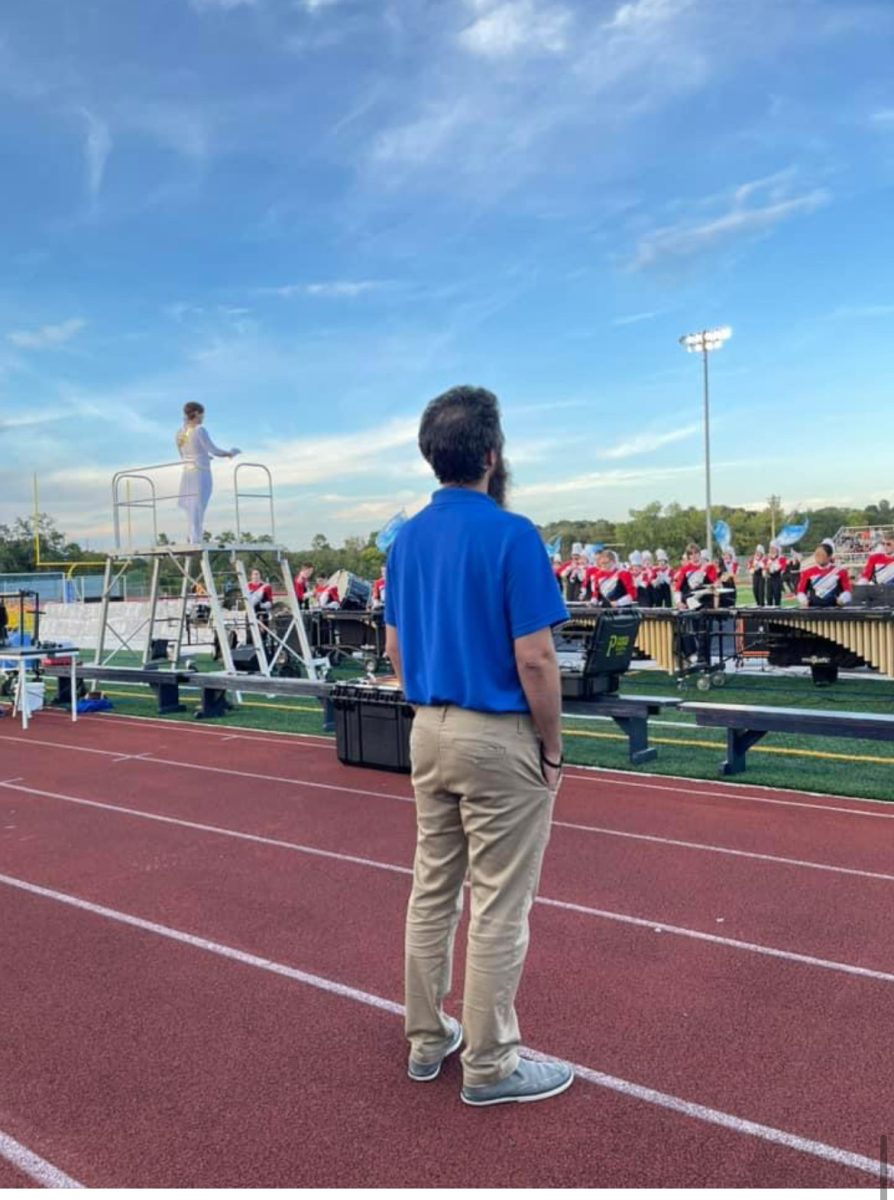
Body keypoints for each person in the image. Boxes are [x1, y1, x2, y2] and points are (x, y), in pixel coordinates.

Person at [384, 385, 573, 1108]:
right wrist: (551, 744)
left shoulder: (407, 540)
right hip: (496, 735)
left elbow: (396, 648)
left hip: (427, 727)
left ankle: (428, 1041)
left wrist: (432, 699)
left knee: (432, 891)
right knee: (499, 905)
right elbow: (537, 659)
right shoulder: (512, 534)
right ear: (491, 454)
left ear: (433, 455)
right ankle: (493, 1065)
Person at [175, 402, 240, 544]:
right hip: (200, 473)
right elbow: (213, 449)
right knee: (198, 505)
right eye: (202, 414)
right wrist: (230, 453)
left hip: (187, 473)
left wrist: (202, 456)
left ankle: (193, 536)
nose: (203, 417)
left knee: (192, 507)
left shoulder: (180, 432)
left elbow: (184, 453)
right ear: (197, 413)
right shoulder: (199, 430)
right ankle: (195, 538)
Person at [797, 539, 852, 607]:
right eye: (817, 554)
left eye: (822, 555)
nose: (818, 557)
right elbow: (801, 591)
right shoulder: (807, 572)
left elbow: (847, 591)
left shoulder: (840, 572)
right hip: (813, 609)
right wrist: (803, 600)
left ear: (829, 556)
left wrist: (842, 599)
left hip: (834, 609)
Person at [764, 542, 787, 607]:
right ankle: (769, 609)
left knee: (777, 594)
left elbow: (783, 568)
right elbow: (765, 567)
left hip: (777, 577)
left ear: (777, 549)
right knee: (769, 595)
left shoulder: (781, 558)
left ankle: (777, 609)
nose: (772, 550)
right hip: (769, 577)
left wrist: (776, 564)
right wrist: (767, 567)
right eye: (771, 548)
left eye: (773, 548)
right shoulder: (767, 558)